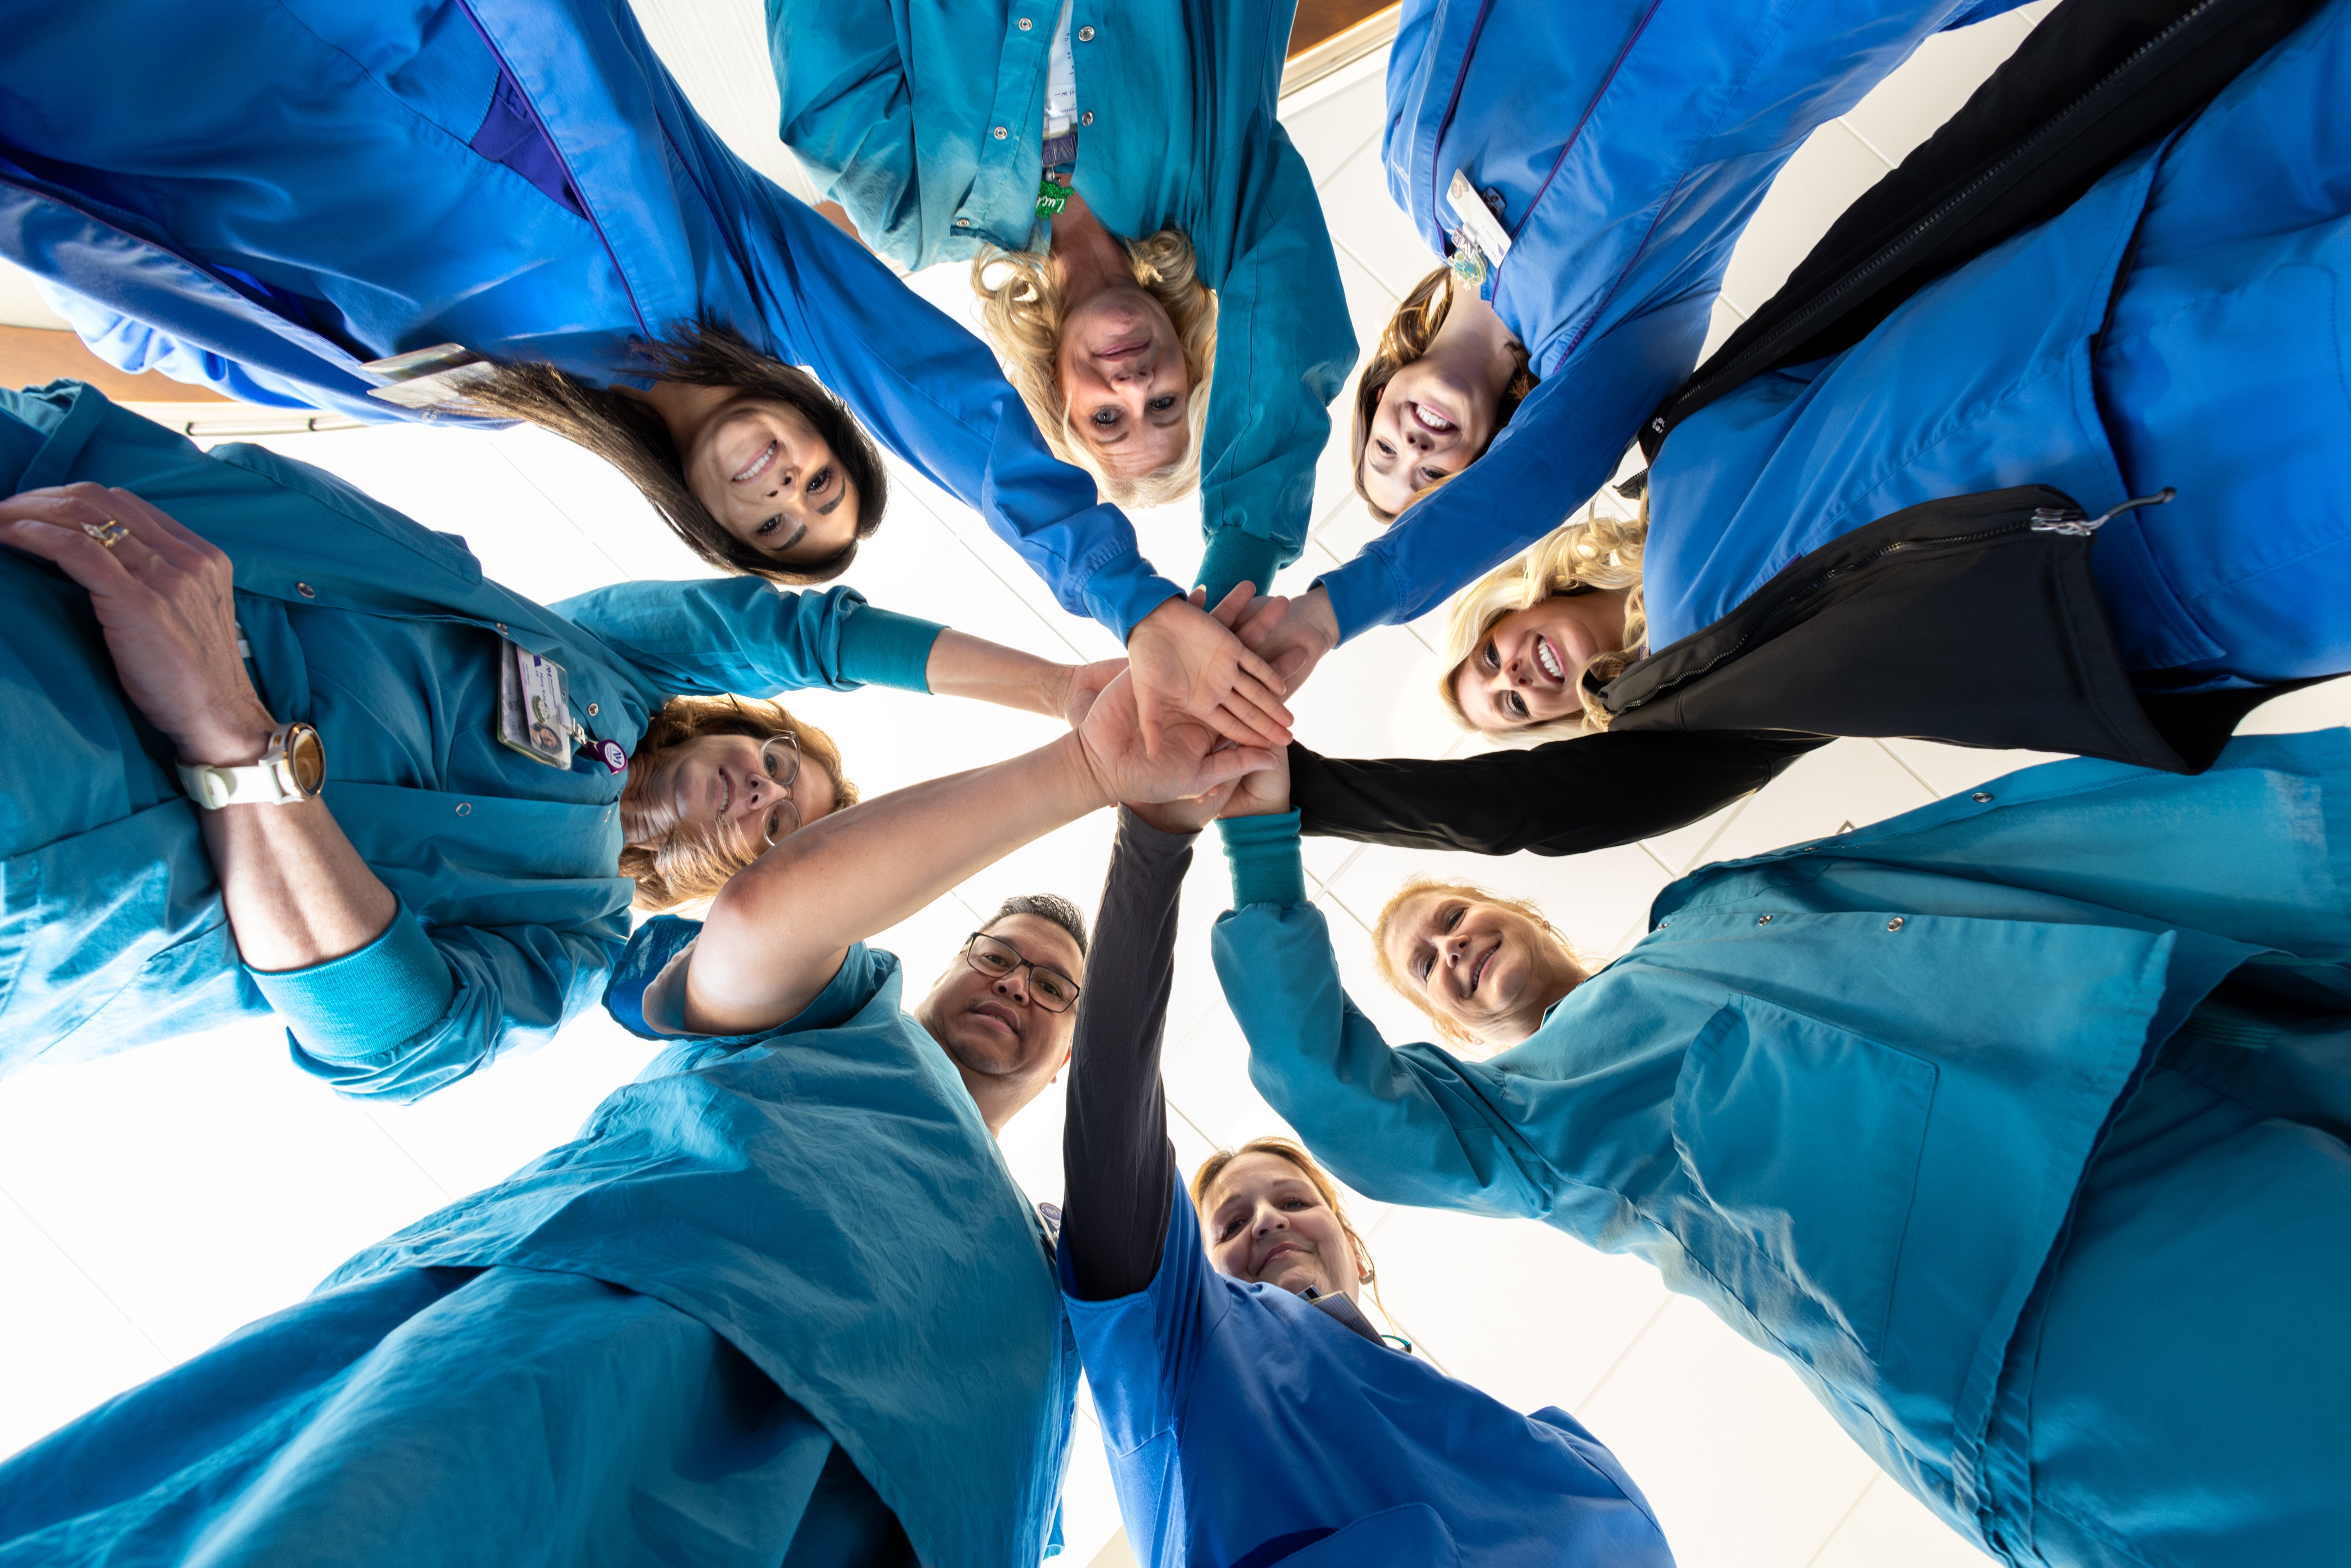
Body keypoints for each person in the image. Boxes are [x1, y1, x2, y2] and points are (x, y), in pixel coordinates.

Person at [0, 640, 1267, 1568]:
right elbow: (769, 912)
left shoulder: (1066, 1266)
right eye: (998, 953)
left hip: (899, 1524)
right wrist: (1087, 764)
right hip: (600, 1370)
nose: (1018, 986)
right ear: (940, 964)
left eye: (1054, 989)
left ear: (1063, 1065)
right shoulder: (845, 1012)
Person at [0, 0, 1289, 752]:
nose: (789, 482)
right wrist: (1127, 599)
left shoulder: (471, 397)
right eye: (826, 473)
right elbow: (935, 390)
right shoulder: (736, 271)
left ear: (706, 522)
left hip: (103, 103)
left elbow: (192, 336)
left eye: (778, 521)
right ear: (810, 404)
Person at [1206, 730, 2351, 1567]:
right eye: (1421, 963)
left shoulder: (1725, 908)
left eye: (1452, 917)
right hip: (2014, 1312)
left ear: (1530, 913)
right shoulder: (1525, 1116)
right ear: (1445, 1029)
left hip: (2169, 1101)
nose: (1450, 947)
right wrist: (1264, 836)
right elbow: (1339, 1093)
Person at [0, 380, 1112, 1098]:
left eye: (782, 827)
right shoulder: (609, 663)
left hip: (53, 836)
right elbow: (807, 630)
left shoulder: (572, 940)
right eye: (780, 765)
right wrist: (1063, 687)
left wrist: (236, 743)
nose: (761, 794)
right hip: (54, 513)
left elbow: (398, 1043)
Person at [1434, 0, 2350, 776]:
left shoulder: (1674, 449)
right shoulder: (1726, 701)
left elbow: (1870, 267)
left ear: (1513, 605)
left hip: (2089, 263)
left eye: (1490, 660)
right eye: (1514, 708)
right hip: (2150, 493)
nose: (1517, 676)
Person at [1237, 0, 2031, 692]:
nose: (1412, 451)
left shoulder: (1413, 169)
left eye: (1383, 452)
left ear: (1382, 387)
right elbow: (1527, 488)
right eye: (1432, 479)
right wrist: (1335, 609)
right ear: (1484, 458)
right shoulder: (1619, 350)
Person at [1055, 793, 1676, 1566]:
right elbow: (1115, 1131)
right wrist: (1156, 835)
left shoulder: (1562, 1461)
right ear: (1196, 1268)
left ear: (1353, 1241)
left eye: (1292, 1200)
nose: (1269, 1222)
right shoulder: (1183, 1351)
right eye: (1230, 1222)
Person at [774, 0, 1357, 605]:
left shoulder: (912, 213)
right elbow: (1289, 317)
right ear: (1191, 363)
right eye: (1165, 402)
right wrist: (1245, 550)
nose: (1133, 386)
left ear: (1057, 398)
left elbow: (824, 42)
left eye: (1107, 419)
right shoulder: (1215, 186)